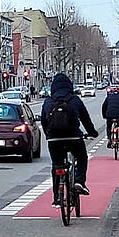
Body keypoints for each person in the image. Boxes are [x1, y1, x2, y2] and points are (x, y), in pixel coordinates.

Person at [42, 73, 99, 205]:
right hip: (74, 137)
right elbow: (85, 119)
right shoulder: (74, 100)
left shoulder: (48, 101)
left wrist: (48, 135)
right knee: (82, 157)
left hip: (54, 140)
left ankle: (57, 197)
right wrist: (92, 133)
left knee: (56, 165)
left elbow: (45, 122)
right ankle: (79, 181)